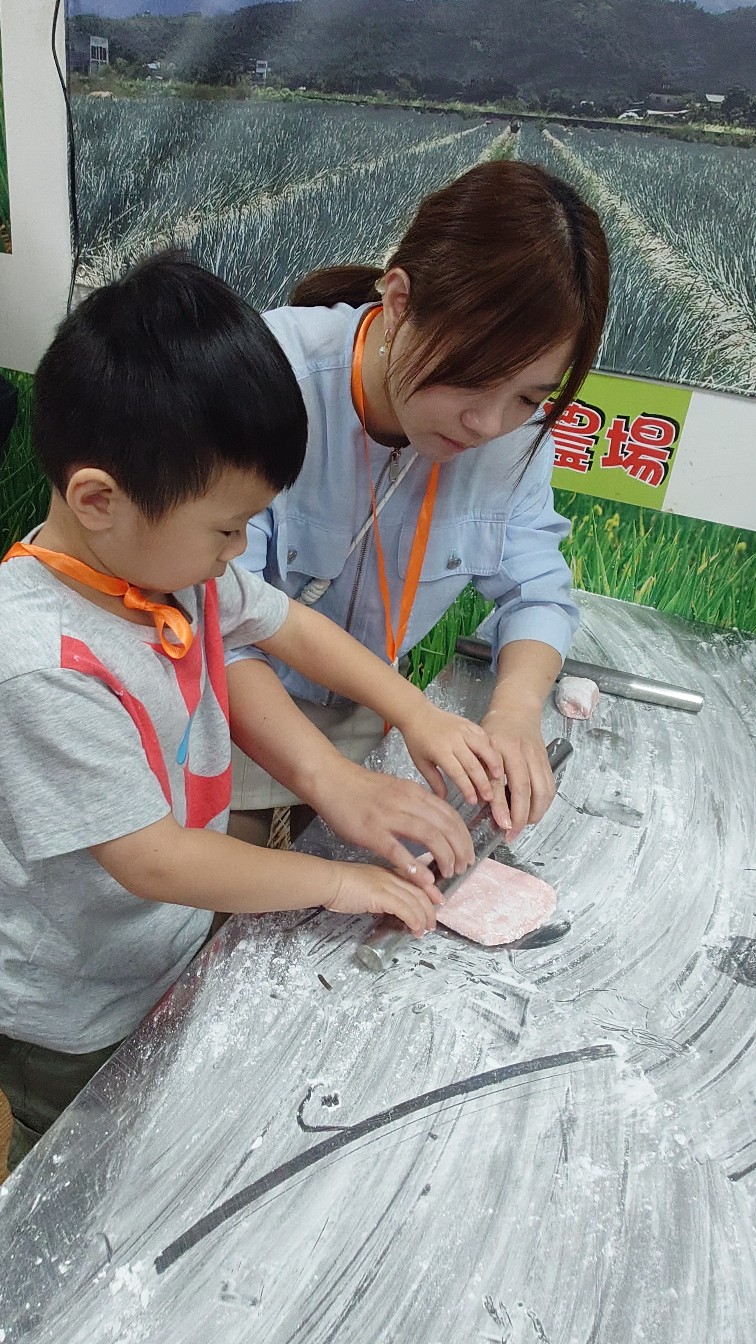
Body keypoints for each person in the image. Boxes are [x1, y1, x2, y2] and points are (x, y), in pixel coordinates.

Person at [0, 253, 502, 1170]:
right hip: (71, 1006)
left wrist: (411, 711)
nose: (238, 551)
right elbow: (155, 859)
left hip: (157, 947)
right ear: (99, 500)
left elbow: (289, 626)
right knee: (77, 1176)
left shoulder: (169, 574)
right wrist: (337, 884)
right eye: (228, 527)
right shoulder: (42, 663)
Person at [228, 159, 610, 845]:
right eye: (473, 378)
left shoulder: (516, 438)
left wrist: (515, 713)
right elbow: (219, 620)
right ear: (400, 300)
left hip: (372, 710)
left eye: (529, 396)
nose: (487, 425)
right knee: (234, 883)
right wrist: (332, 779)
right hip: (229, 699)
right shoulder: (263, 378)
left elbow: (538, 592)